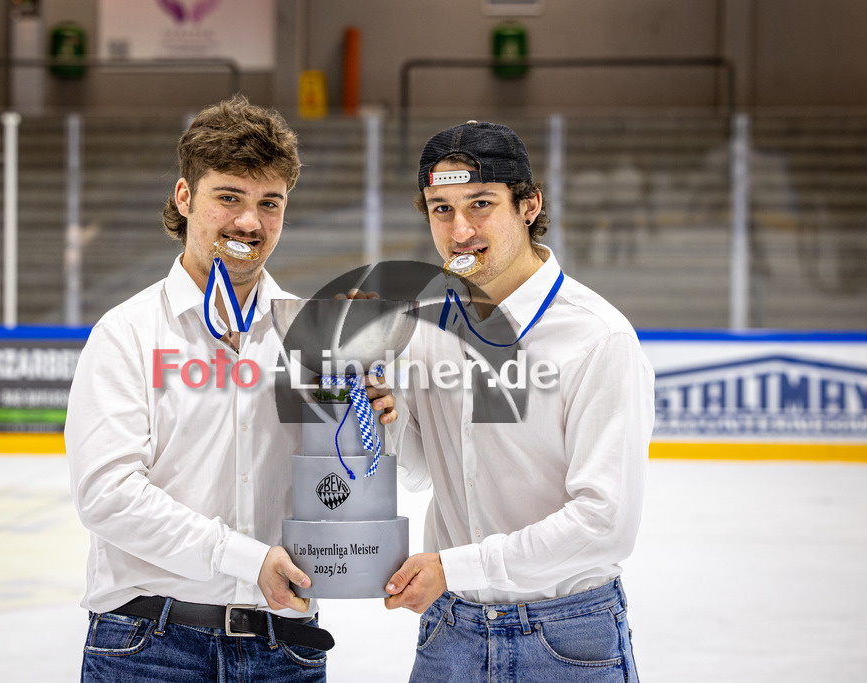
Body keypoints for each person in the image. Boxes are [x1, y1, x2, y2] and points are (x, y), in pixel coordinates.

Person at [64, 94, 394, 682]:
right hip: (150, 648)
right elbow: (107, 495)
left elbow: (342, 484)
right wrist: (245, 558)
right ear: (185, 197)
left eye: (270, 203)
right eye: (229, 197)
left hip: (283, 648)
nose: (249, 222)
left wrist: (371, 423)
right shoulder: (127, 333)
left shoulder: (314, 335)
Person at [383, 120, 655, 682]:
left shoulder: (597, 337)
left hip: (567, 638)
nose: (460, 231)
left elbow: (605, 523)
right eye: (441, 209)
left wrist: (455, 567)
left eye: (480, 204)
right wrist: (383, 415)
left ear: (528, 205)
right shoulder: (427, 324)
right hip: (450, 633)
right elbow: (421, 471)